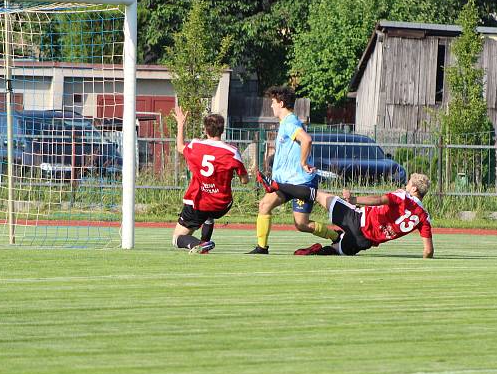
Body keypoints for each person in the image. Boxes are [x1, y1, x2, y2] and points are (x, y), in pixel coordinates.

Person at [248, 86, 339, 254]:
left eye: (273, 102)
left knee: (301, 224)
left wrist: (304, 163)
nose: (271, 106)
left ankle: (336, 236)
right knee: (264, 205)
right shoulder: (286, 123)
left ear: (281, 103)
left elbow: (307, 140)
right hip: (285, 183)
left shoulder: (290, 123)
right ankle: (262, 248)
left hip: (301, 183)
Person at [259, 173, 434, 257]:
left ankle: (276, 185)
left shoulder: (404, 197)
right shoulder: (424, 218)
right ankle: (316, 252)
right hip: (364, 242)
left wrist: (354, 199)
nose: (405, 185)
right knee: (335, 252)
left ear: (414, 189)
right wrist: (426, 258)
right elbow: (428, 250)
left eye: (408, 183)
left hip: (357, 219)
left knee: (317, 194)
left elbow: (379, 199)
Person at [172, 105, 248, 253]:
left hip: (198, 202)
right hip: (222, 204)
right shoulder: (232, 152)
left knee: (176, 239)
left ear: (206, 130)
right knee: (209, 215)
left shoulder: (196, 145)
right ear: (222, 130)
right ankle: (205, 244)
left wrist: (181, 123)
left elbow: (180, 147)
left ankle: (200, 244)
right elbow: (244, 180)